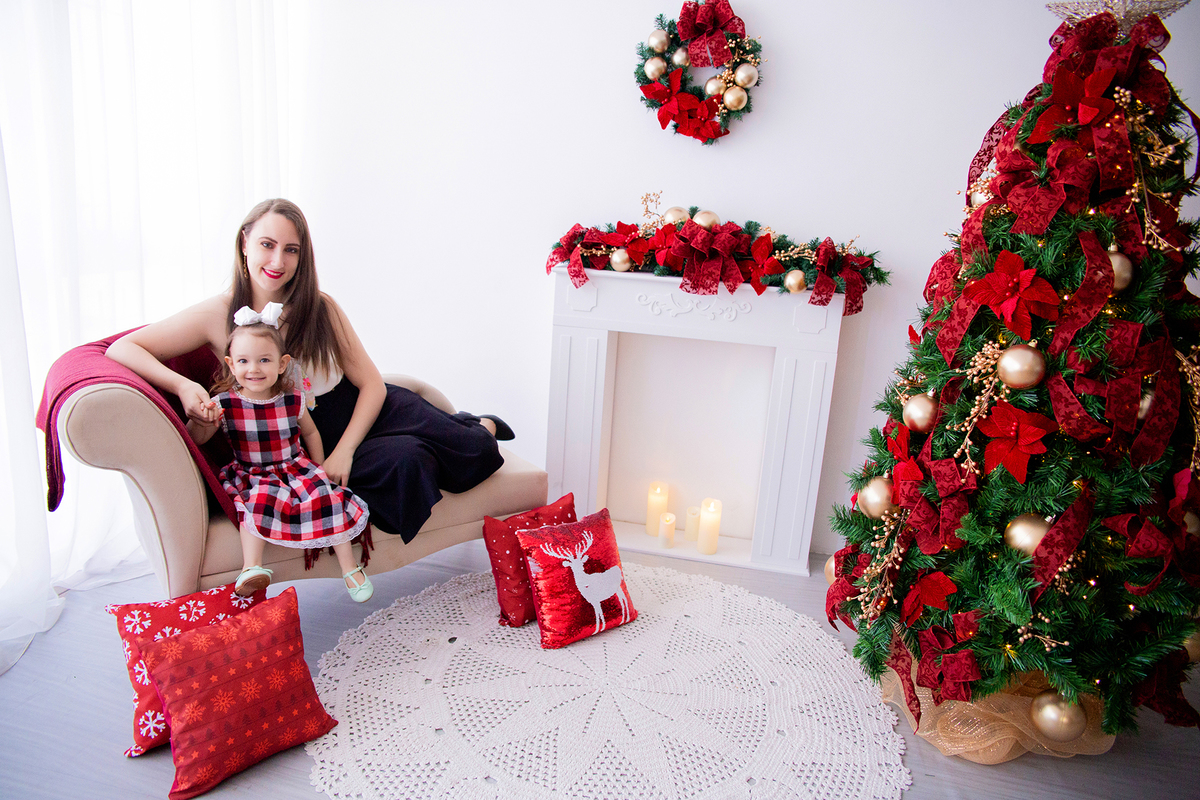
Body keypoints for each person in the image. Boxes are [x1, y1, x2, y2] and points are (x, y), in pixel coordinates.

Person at [106, 198, 508, 568]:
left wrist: (346, 451)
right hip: (307, 437)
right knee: (406, 463)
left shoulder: (321, 307)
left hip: (366, 414)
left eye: (291, 249)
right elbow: (124, 349)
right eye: (267, 244)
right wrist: (180, 386)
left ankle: (474, 426)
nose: (277, 260)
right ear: (244, 242)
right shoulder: (217, 313)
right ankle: (446, 435)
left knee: (474, 450)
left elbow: (372, 385)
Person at [188, 305, 372, 600]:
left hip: (294, 466)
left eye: (264, 360)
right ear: (231, 365)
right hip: (253, 473)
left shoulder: (292, 399)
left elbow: (310, 432)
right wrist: (201, 419)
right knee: (256, 503)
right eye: (244, 361)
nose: (254, 369)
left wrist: (319, 465)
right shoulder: (225, 403)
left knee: (326, 497)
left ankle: (350, 568)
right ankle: (251, 568)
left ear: (282, 363)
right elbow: (199, 438)